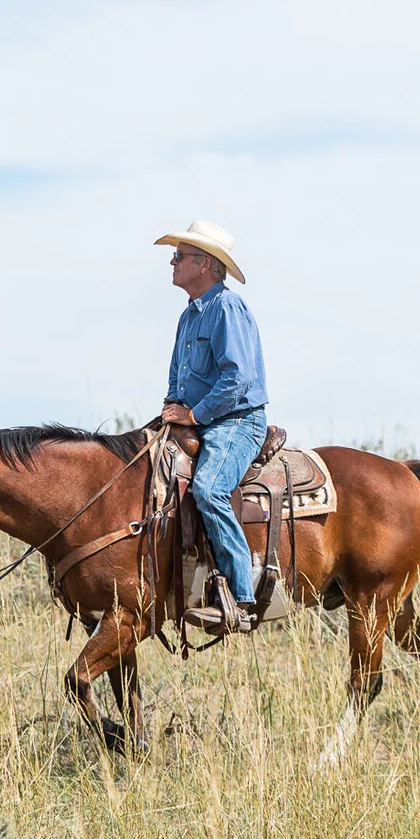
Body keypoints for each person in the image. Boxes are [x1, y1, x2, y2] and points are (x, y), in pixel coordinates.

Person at [156, 221, 268, 634]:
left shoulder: (227, 308)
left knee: (208, 489)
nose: (172, 262)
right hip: (200, 419)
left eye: (179, 256)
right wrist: (171, 411)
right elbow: (177, 379)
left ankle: (240, 596)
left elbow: (237, 379)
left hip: (235, 421)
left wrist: (193, 416)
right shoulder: (189, 317)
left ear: (204, 264)